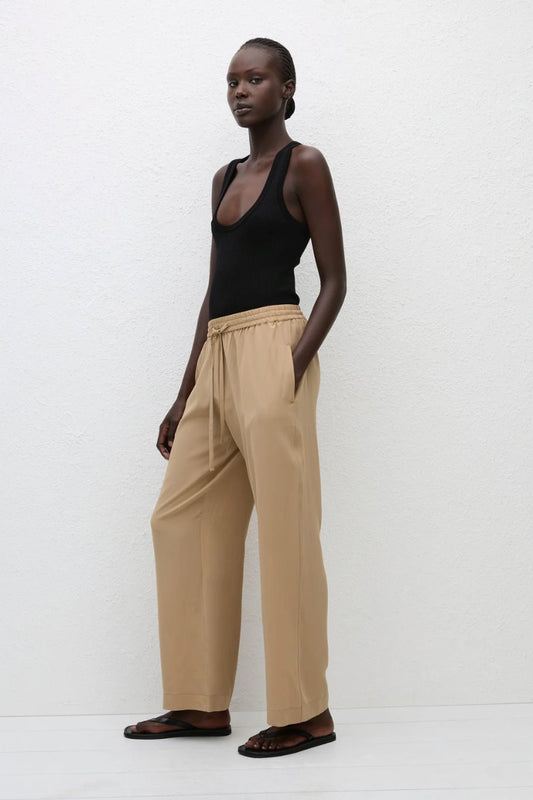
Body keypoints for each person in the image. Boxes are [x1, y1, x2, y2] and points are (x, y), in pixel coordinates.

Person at [124, 37, 347, 758]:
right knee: (180, 518)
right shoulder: (223, 177)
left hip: (274, 344)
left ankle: (307, 713)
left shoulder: (304, 164)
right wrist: (183, 390)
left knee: (286, 529)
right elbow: (215, 286)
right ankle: (198, 703)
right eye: (231, 81)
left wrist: (291, 366)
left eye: (254, 79)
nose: (240, 91)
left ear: (286, 89)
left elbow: (336, 280)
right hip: (217, 352)